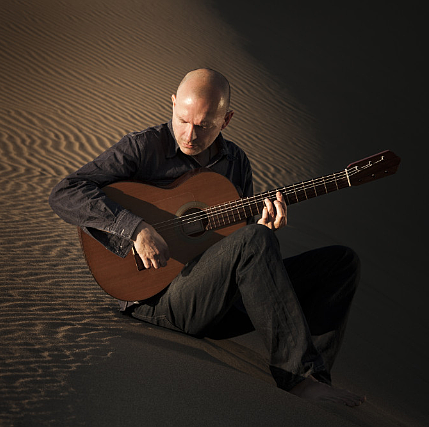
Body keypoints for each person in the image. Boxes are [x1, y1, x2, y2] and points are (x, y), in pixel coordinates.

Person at [49, 68, 366, 406]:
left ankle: (317, 380)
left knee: (341, 262)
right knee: (255, 241)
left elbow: (239, 245)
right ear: (173, 103)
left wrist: (264, 228)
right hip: (155, 300)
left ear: (226, 120)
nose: (189, 135)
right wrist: (136, 228)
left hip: (219, 302)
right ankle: (298, 380)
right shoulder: (142, 147)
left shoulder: (236, 162)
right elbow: (66, 192)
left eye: (203, 126)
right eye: (183, 120)